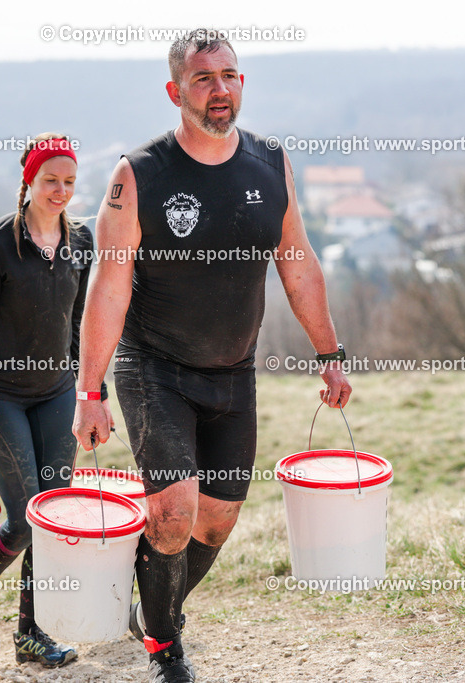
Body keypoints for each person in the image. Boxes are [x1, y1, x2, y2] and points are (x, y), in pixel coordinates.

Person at [72, 31, 352, 683]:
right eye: (203, 79)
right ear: (175, 92)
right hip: (154, 368)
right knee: (172, 512)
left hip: (233, 370)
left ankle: (149, 602)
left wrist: (329, 352)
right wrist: (91, 390)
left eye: (229, 74)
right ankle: (164, 646)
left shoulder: (270, 163)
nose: (220, 88)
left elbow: (298, 263)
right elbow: (109, 286)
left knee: (217, 521)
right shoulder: (138, 175)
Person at [0, 133, 111, 668]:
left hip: (57, 392)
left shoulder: (82, 241)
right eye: (50, 181)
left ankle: (32, 634)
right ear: (28, 182)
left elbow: (83, 327)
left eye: (69, 182)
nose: (60, 191)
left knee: (52, 516)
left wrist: (94, 394)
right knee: (23, 517)